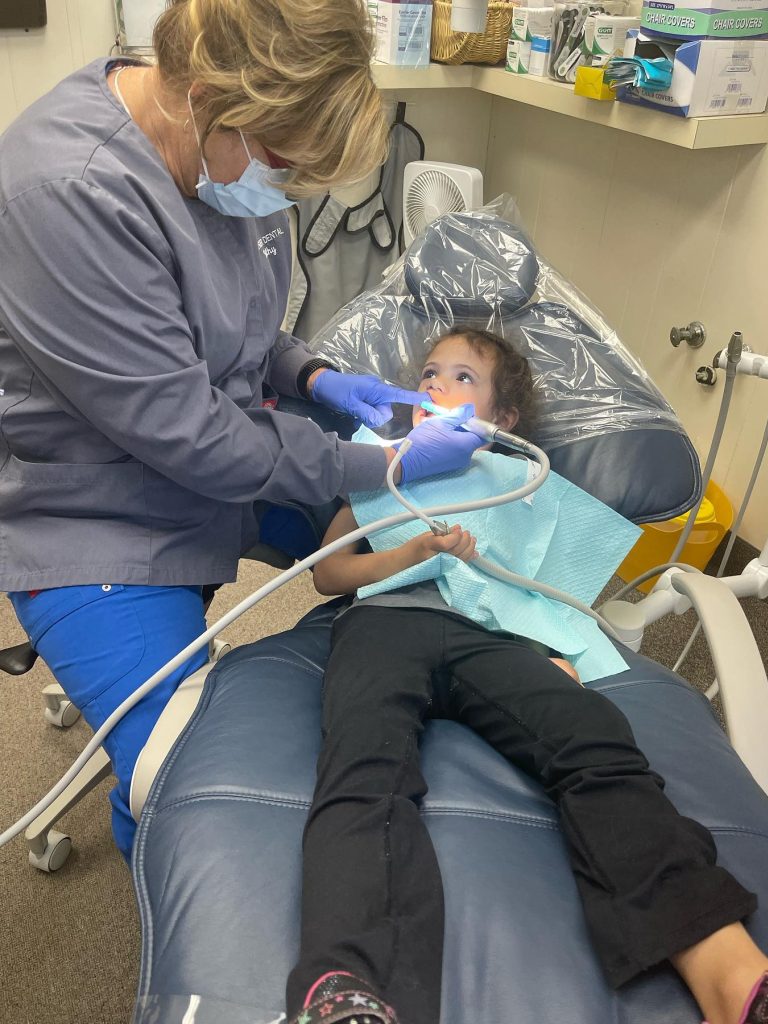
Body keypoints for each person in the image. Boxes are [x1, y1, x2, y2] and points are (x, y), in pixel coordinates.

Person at [0, 0, 483, 860]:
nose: (284, 191)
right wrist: (384, 463)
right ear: (207, 96)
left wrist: (317, 375)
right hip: (96, 514)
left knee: (404, 563)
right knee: (182, 788)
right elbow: (191, 435)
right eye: (285, 164)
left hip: (224, 463)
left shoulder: (227, 157)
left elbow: (244, 329)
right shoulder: (68, 190)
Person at [286, 328, 768, 1024]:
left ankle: (734, 979)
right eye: (427, 373)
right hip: (384, 623)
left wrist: (548, 648)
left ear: (503, 419)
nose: (435, 388)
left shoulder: (522, 481)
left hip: (491, 634)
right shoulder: (382, 464)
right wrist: (410, 550)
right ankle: (350, 984)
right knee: (362, 759)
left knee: (591, 733)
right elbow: (327, 575)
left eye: (461, 377)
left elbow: (544, 588)